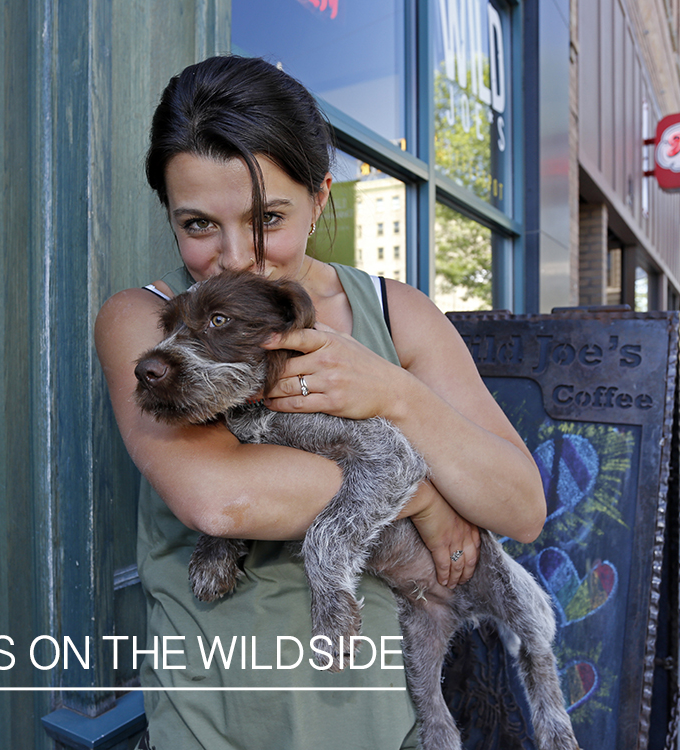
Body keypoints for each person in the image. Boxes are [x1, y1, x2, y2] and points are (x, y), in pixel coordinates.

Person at [94, 55, 547, 750]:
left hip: (384, 728)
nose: (236, 257)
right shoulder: (146, 321)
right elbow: (222, 500)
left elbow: (520, 506)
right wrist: (423, 498)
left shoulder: (396, 315)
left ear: (320, 196)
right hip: (212, 728)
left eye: (268, 217)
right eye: (198, 225)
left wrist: (394, 393)